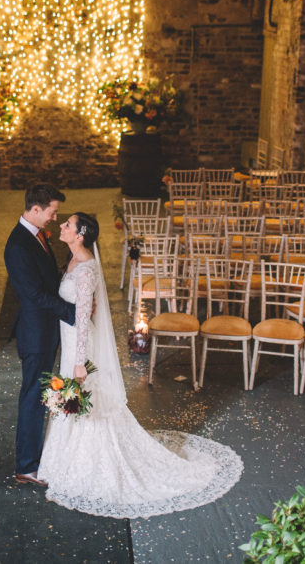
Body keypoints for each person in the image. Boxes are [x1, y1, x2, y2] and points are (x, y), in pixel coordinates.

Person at [36, 212, 243, 518]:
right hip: (68, 341)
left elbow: (82, 319)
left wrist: (80, 362)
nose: (61, 226)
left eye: (67, 224)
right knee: (73, 402)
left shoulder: (86, 270)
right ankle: (64, 460)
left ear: (79, 235)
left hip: (79, 344)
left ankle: (90, 464)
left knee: (83, 400)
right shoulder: (72, 260)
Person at [3, 184, 76, 487]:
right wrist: (73, 312)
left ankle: (34, 459)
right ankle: (27, 467)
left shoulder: (35, 236)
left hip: (46, 329)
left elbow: (45, 280)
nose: (54, 218)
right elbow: (33, 294)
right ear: (35, 209)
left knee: (40, 394)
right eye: (52, 212)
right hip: (35, 333)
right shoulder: (18, 245)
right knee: (33, 397)